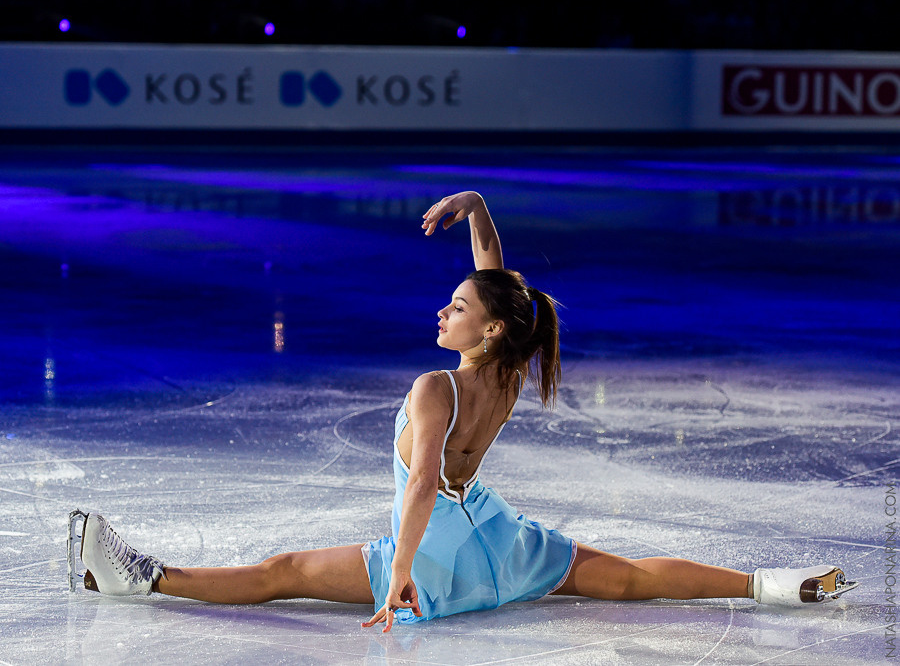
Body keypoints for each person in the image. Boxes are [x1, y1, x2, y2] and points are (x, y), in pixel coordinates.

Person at [73, 191, 854, 632]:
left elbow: (417, 490)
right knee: (628, 577)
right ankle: (777, 585)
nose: (441, 310)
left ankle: (143, 579)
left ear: (485, 328)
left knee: (281, 572)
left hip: (439, 554)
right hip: (503, 548)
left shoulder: (434, 388)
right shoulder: (513, 366)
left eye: (454, 306)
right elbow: (496, 277)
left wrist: (400, 571)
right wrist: (477, 206)